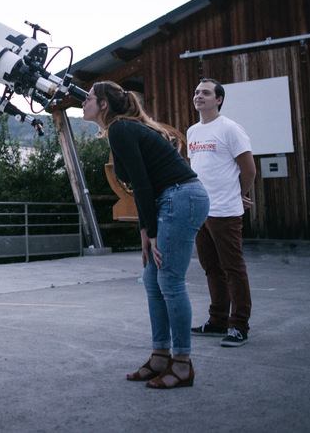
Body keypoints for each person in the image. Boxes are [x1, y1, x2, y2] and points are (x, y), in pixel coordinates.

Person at [82, 81, 210, 389]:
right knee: (153, 280)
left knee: (169, 280)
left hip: (181, 198)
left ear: (103, 105)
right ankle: (159, 357)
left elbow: (141, 183)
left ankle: (182, 363)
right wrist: (145, 230)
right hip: (171, 199)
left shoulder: (120, 129)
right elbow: (144, 185)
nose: (83, 102)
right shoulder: (121, 129)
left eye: (88, 98)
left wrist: (151, 231)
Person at [187, 78, 256, 348]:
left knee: (233, 269)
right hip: (201, 211)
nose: (199, 96)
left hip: (225, 211)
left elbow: (248, 168)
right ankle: (217, 321)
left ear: (219, 100)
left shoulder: (230, 129)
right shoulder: (192, 131)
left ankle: (239, 325)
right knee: (211, 268)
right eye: (196, 92)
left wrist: (238, 194)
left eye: (205, 93)